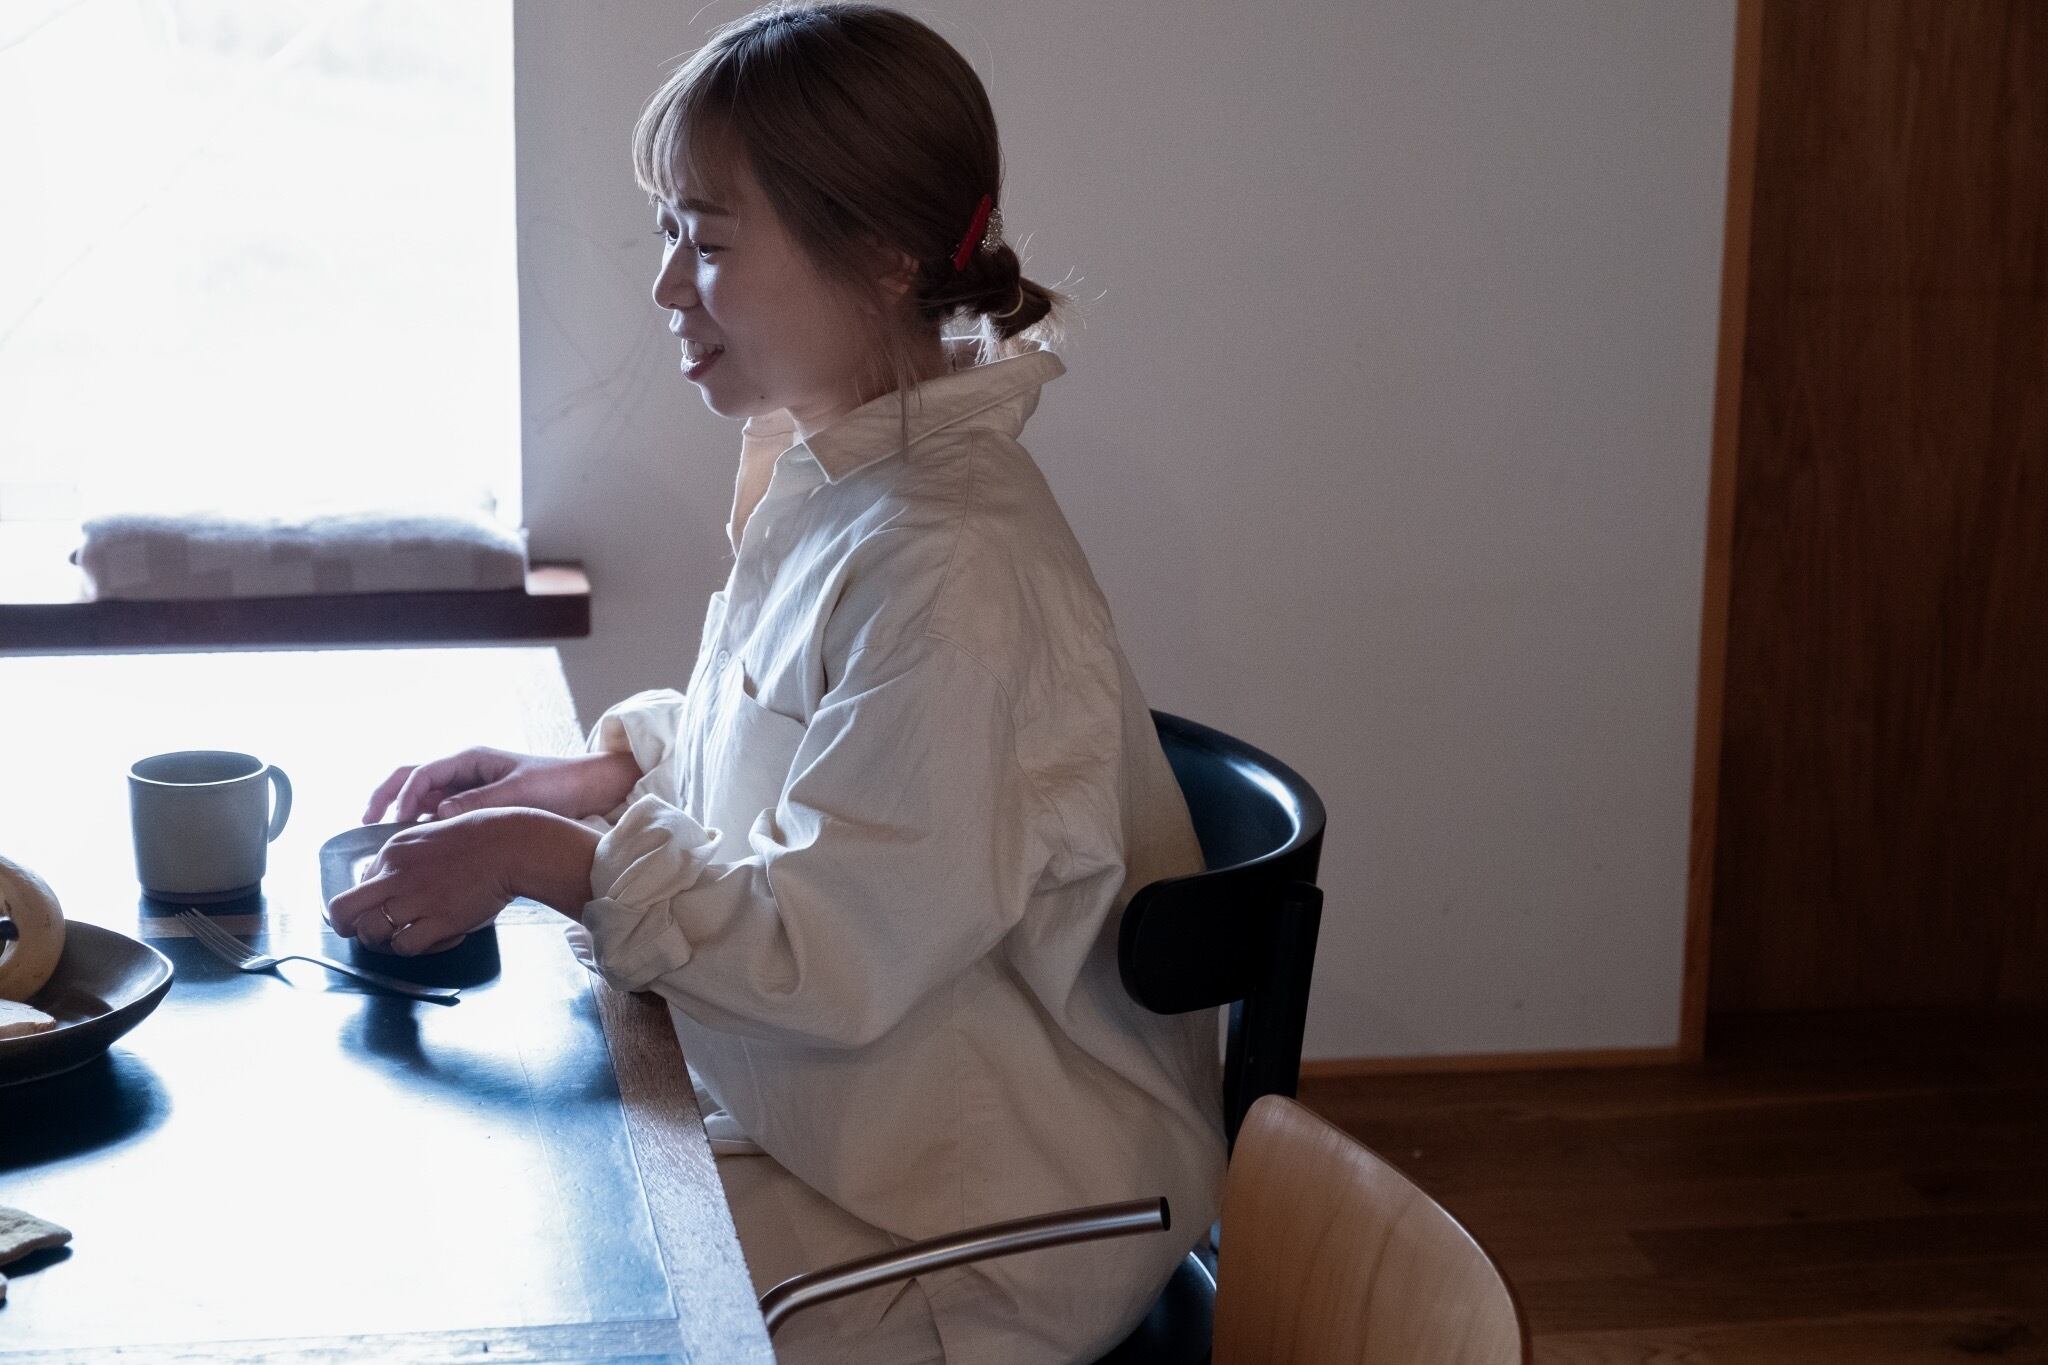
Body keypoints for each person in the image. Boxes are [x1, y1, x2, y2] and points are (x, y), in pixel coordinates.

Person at [326, 4, 1225, 1360]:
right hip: (849, 1127)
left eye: (707, 240)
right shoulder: (843, 473)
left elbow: (827, 953)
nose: (666, 287)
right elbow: (791, 750)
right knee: (505, 1229)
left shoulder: (950, 561)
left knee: (595, 1317)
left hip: (1004, 1211)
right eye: (667, 233)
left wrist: (545, 858)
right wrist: (601, 774)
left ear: (881, 257)